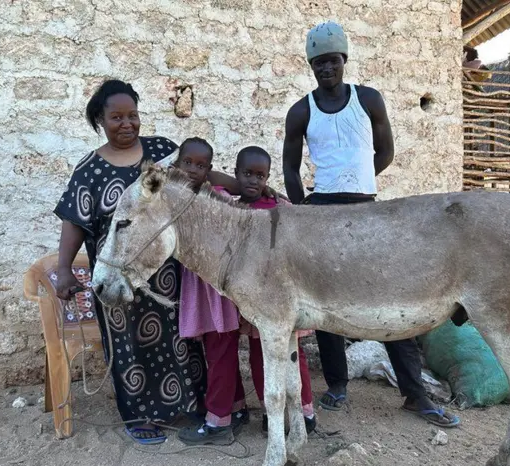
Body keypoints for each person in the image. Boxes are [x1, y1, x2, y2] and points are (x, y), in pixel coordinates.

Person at [282, 22, 459, 428]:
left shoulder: (369, 100)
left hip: (368, 212)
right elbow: (290, 167)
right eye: (318, 63)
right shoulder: (301, 110)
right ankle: (338, 385)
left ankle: (414, 394)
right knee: (322, 302)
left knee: (390, 299)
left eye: (331, 61)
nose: (325, 69)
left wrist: (361, 186)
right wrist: (303, 210)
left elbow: (386, 152)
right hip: (323, 214)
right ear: (311, 66)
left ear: (343, 61)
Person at [53, 80, 248, 444]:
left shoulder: (161, 153)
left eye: (133, 115)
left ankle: (188, 405)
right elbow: (73, 220)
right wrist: (64, 270)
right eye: (116, 118)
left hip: (168, 275)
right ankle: (139, 416)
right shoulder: (89, 171)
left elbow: (201, 175)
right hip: (118, 276)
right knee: (129, 346)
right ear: (100, 120)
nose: (127, 124)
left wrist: (244, 187)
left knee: (181, 339)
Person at [233, 146, 318, 436]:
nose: (253, 181)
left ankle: (305, 410)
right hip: (254, 300)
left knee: (295, 356)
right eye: (247, 174)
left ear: (268, 178)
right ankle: (272, 414)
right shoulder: (231, 210)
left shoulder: (279, 209)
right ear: (236, 174)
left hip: (283, 299)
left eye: (260, 176)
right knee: (259, 354)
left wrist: (277, 196)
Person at [172, 138, 251, 445]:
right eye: (187, 163)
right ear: (177, 165)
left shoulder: (215, 199)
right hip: (198, 287)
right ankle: (236, 407)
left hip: (217, 289)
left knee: (220, 352)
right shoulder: (174, 196)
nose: (193, 170)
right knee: (219, 351)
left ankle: (218, 422)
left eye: (201, 166)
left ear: (209, 171)